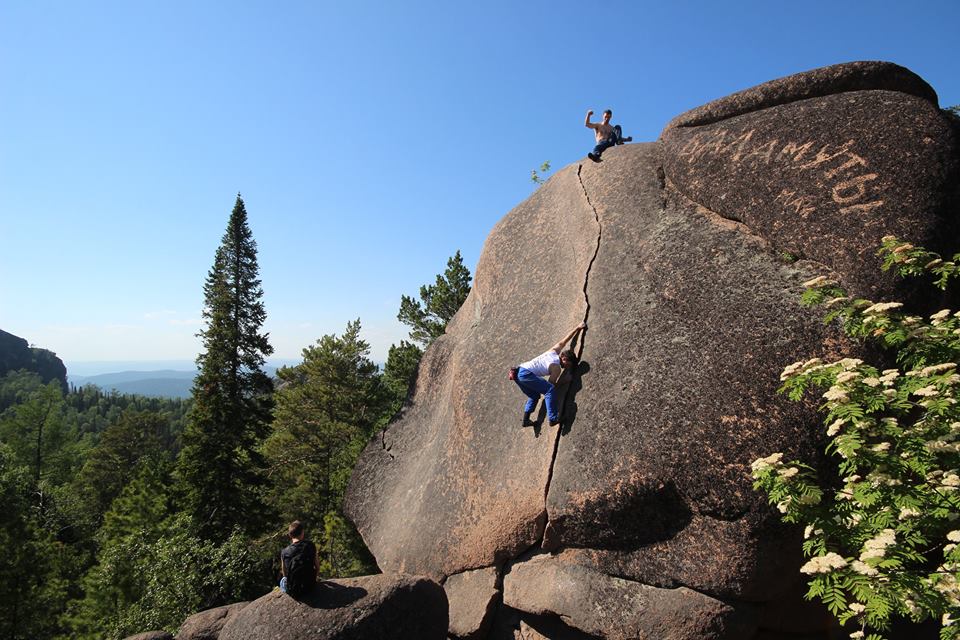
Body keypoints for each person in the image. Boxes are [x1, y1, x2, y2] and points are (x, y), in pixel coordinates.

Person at [513, 322, 587, 427]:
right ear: (564, 359)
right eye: (568, 364)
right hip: (525, 374)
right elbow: (551, 387)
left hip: (518, 372)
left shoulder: (554, 351)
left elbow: (565, 340)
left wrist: (577, 328)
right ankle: (553, 418)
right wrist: (564, 381)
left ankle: (526, 420)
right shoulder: (556, 368)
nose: (567, 367)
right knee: (549, 390)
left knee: (534, 395)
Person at [279, 520, 319, 597]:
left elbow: (285, 574)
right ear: (302, 533)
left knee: (282, 581)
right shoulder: (310, 545)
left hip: (294, 590)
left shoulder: (284, 552)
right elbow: (317, 567)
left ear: (290, 535)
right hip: (310, 586)